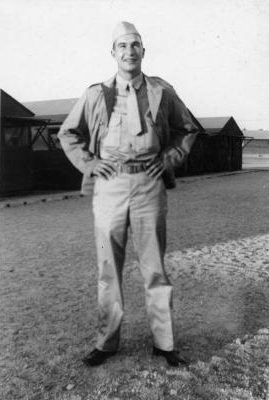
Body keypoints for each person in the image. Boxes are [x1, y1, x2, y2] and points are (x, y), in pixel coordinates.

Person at [58, 21, 199, 367]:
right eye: (122, 46)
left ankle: (164, 343)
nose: (129, 51)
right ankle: (107, 342)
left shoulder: (162, 91)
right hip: (109, 188)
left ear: (143, 51)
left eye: (135, 45)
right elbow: (68, 133)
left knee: (154, 267)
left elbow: (188, 129)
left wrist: (169, 158)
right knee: (109, 268)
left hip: (149, 185)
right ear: (113, 53)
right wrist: (90, 164)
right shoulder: (96, 94)